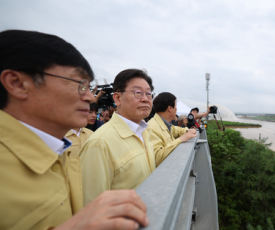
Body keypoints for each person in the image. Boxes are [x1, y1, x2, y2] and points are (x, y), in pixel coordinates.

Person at [0, 30, 148, 230]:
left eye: (89, 87)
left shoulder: (62, 152)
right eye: (79, 84)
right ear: (17, 83)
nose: (90, 97)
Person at [80, 68, 156, 205]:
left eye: (149, 94)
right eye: (138, 93)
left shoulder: (145, 132)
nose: (145, 99)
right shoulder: (99, 143)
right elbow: (92, 207)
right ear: (117, 98)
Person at [146, 92, 197, 166]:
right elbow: (157, 158)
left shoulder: (165, 124)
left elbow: (176, 130)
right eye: (175, 106)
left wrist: (188, 130)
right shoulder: (151, 128)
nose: (176, 109)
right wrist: (181, 139)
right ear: (170, 108)